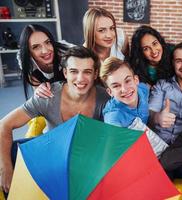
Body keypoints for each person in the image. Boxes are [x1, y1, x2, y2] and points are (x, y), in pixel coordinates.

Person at [0, 46, 109, 193]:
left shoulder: (105, 99)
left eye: (87, 72)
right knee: (12, 151)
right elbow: (4, 125)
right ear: (65, 73)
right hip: (52, 158)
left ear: (95, 74)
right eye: (73, 71)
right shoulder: (48, 96)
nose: (80, 78)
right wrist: (6, 167)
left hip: (85, 162)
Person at [100, 57, 168, 156]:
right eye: (116, 86)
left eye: (127, 81)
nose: (124, 89)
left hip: (150, 139)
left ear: (136, 80)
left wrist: (157, 115)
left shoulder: (142, 89)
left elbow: (149, 87)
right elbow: (114, 149)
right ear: (110, 92)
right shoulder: (113, 117)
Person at [148, 42, 182, 144]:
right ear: (173, 63)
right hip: (158, 144)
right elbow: (150, 112)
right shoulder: (162, 85)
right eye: (179, 61)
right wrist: (157, 117)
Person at [18, 24, 70, 99]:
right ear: (28, 52)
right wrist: (39, 90)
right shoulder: (26, 60)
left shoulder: (66, 52)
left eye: (48, 42)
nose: (45, 51)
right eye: (36, 47)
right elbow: (36, 88)